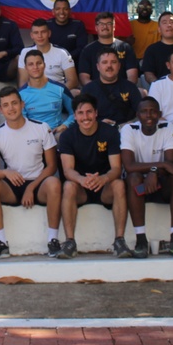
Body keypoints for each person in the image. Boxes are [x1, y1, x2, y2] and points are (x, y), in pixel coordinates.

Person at [0, 87, 63, 259]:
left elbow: (52, 167)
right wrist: (6, 173)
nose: (11, 108)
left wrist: (31, 187)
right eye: (5, 105)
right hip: (12, 186)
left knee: (54, 183)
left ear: (22, 104)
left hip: (38, 183)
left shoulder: (41, 128)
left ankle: (53, 240)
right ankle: (1, 243)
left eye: (14, 103)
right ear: (1, 110)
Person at [57, 94, 130, 259]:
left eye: (89, 112)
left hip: (104, 187)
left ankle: (119, 241)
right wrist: (82, 180)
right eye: (81, 113)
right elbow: (68, 170)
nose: (85, 117)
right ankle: (70, 242)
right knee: (68, 186)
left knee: (119, 184)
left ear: (96, 113)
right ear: (74, 116)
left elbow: (117, 168)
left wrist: (103, 178)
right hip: (81, 187)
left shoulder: (110, 132)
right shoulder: (67, 136)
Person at [120, 97, 173, 258]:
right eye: (144, 112)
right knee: (134, 178)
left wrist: (154, 172)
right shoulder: (129, 129)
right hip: (139, 188)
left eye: (153, 111)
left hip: (161, 182)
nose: (149, 115)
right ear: (137, 115)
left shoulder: (167, 127)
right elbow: (129, 166)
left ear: (159, 114)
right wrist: (160, 166)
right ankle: (141, 240)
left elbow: (171, 163)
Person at [80, 47, 142, 126]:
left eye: (113, 62)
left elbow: (141, 113)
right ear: (98, 67)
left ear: (119, 66)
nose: (109, 66)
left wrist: (129, 124)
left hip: (126, 130)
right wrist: (98, 123)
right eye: (104, 62)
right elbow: (83, 117)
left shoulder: (130, 87)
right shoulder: (88, 90)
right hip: (98, 131)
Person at [20, 49, 75, 137]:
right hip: (32, 136)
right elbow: (21, 122)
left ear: (44, 65)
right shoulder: (20, 94)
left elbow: (76, 112)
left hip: (56, 134)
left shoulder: (60, 88)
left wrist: (65, 125)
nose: (35, 67)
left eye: (39, 63)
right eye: (31, 64)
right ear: (26, 68)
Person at [78, 12, 139, 85]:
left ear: (114, 26)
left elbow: (132, 75)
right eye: (101, 24)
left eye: (109, 24)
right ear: (96, 27)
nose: (105, 27)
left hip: (122, 91)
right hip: (96, 92)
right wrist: (94, 90)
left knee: (142, 92)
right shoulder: (87, 50)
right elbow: (84, 77)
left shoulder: (125, 48)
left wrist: (126, 89)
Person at [17, 18, 79, 90]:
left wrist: (57, 93)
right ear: (31, 35)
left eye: (43, 32)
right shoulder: (25, 52)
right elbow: (23, 82)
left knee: (76, 92)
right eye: (36, 33)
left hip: (58, 91)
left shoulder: (62, 53)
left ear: (49, 33)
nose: (40, 36)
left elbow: (73, 81)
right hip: (35, 93)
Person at [48, 0, 88, 64]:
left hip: (72, 62)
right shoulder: (46, 25)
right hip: (51, 63)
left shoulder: (78, 25)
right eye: (58, 9)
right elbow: (39, 46)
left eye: (65, 9)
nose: (61, 12)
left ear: (70, 11)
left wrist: (65, 58)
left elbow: (82, 48)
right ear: (53, 11)